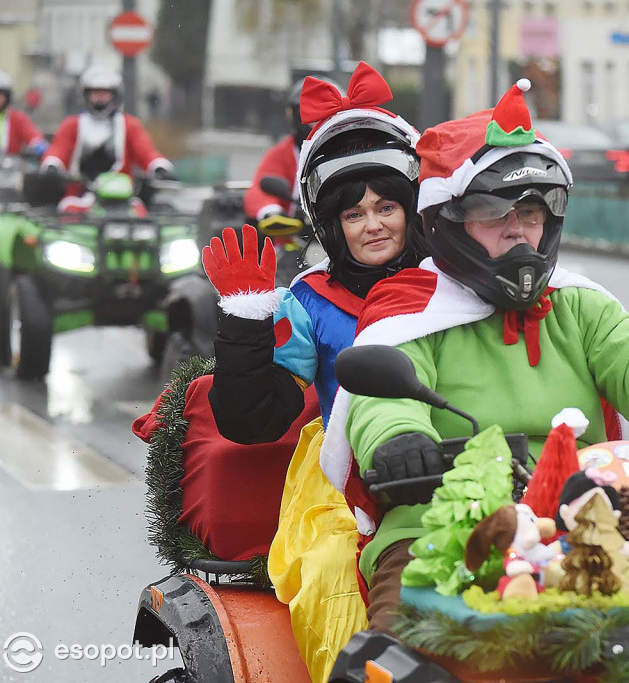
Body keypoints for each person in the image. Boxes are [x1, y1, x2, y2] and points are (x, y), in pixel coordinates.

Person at [319, 79, 629, 631]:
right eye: (493, 214)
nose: (517, 233)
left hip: (590, 515)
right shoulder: (409, 308)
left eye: (531, 214)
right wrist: (401, 444)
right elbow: (383, 399)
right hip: (442, 520)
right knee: (401, 636)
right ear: (446, 223)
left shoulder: (579, 305)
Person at [199, 62, 424, 683]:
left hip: (449, 456)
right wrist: (245, 324)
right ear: (331, 226)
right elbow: (252, 419)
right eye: (353, 215)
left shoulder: (451, 286)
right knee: (333, 576)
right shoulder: (313, 301)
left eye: (386, 207)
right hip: (340, 476)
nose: (373, 224)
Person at [40, 65, 175, 182]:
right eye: (95, 92)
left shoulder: (129, 125)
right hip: (78, 195)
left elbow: (146, 152)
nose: (100, 98)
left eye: (105, 93)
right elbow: (58, 149)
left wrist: (159, 166)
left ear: (115, 95)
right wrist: (52, 165)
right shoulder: (71, 125)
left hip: (124, 196)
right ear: (86, 95)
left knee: (139, 210)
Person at [243, 76, 337, 223]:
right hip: (297, 238)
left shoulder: (353, 149)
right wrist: (271, 212)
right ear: (292, 114)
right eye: (310, 113)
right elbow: (260, 189)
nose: (317, 120)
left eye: (325, 111)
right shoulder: (282, 153)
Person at [0, 70, 47, 157]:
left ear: (7, 96)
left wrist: (39, 146)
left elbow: (33, 136)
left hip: (10, 167)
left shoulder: (17, 118)